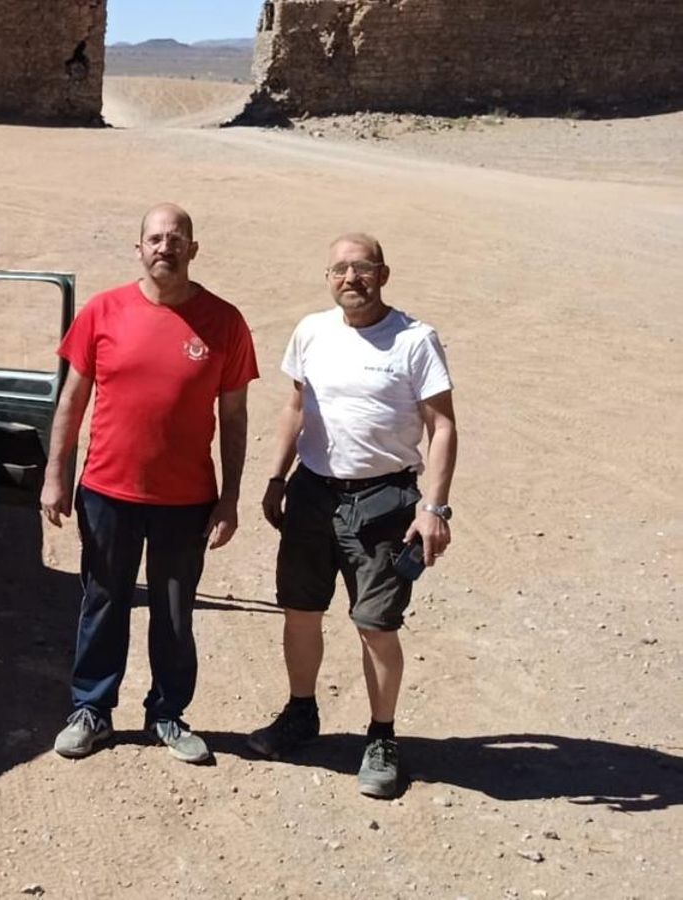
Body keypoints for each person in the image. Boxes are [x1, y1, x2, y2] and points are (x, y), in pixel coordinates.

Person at [43, 203, 258, 762]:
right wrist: (55, 475)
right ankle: (91, 709)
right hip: (108, 490)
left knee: (175, 610)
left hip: (186, 499)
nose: (166, 246)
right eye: (155, 238)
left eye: (177, 238)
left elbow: (234, 417)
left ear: (193, 248)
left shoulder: (224, 322)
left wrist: (230, 497)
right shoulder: (102, 311)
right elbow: (72, 398)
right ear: (138, 248)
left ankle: (168, 713)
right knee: (104, 600)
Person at [247, 232, 458, 798]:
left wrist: (434, 508)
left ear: (383, 274)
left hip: (385, 502)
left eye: (362, 268)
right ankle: (300, 713)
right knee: (299, 610)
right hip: (312, 493)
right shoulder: (311, 331)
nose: (350, 279)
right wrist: (275, 477)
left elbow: (442, 427)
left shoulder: (414, 340)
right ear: (328, 278)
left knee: (375, 624)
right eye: (339, 269)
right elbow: (296, 406)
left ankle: (382, 736)